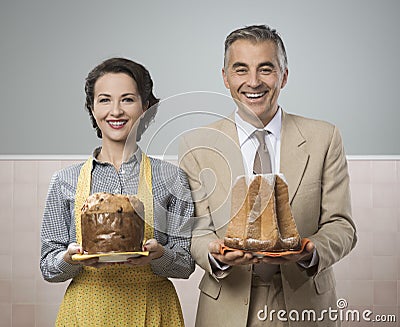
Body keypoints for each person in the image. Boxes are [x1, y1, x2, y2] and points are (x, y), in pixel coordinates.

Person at [179, 25, 357, 327]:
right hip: (226, 306)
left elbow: (342, 225)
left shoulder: (325, 138)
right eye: (240, 70)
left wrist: (308, 251)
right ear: (225, 77)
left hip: (306, 305)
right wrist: (215, 253)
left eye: (266, 69)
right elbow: (195, 229)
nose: (253, 82)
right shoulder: (196, 145)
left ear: (283, 76)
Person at [40, 57, 195, 326]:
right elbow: (48, 268)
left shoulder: (172, 178)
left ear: (145, 107)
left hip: (153, 308)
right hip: (86, 312)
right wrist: (70, 258)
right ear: (91, 107)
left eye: (127, 99)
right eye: (104, 100)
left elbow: (185, 264)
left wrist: (160, 256)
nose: (116, 111)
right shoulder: (64, 181)